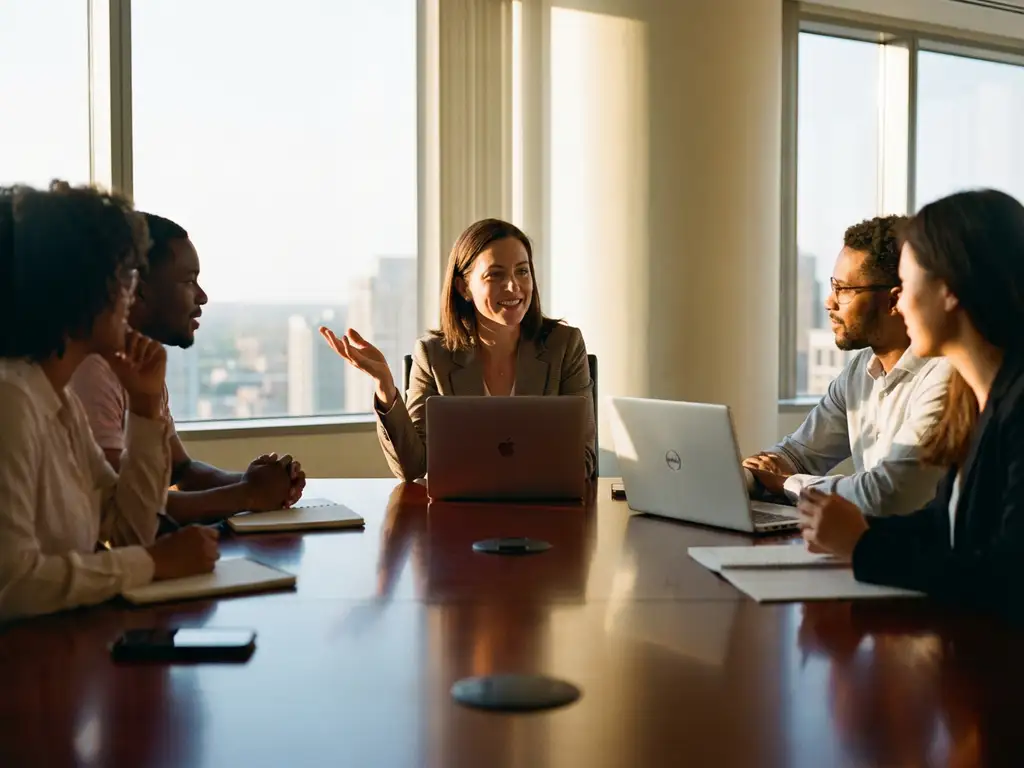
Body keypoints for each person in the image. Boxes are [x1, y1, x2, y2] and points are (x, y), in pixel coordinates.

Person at [798, 189, 1024, 621]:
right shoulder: (980, 400)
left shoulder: (1017, 408)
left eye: (906, 285)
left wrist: (863, 547)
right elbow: (945, 524)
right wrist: (854, 531)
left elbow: (1007, 578)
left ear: (950, 290)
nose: (896, 306)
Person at [0, 182, 219, 621]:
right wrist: (155, 563)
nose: (130, 294)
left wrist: (144, 407)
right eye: (123, 277)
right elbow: (13, 585)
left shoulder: (58, 403)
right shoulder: (13, 402)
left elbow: (129, 532)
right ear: (78, 289)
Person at [70, 213, 305, 525]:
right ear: (138, 288)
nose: (202, 296)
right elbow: (127, 506)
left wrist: (258, 482)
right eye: (188, 280)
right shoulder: (93, 372)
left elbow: (181, 470)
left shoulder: (140, 363)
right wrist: (247, 494)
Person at [321, 218, 596, 480]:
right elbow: (412, 467)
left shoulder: (564, 345)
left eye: (522, 271)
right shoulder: (433, 356)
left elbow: (584, 461)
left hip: (547, 516)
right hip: (460, 519)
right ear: (464, 287)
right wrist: (385, 386)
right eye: (495, 274)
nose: (513, 286)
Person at [744, 215, 952, 517]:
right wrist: (744, 477)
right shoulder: (859, 372)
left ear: (894, 301)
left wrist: (788, 483)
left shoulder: (944, 376)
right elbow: (797, 455)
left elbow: (888, 494)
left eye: (843, 290)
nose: (829, 302)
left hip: (922, 557)